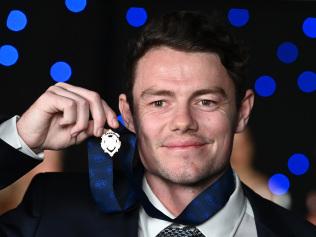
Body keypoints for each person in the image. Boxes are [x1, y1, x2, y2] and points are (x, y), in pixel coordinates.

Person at [0, 10, 315, 237]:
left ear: (243, 111)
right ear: (129, 114)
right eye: (159, 102)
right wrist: (22, 138)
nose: (182, 122)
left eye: (205, 101)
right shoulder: (53, 211)